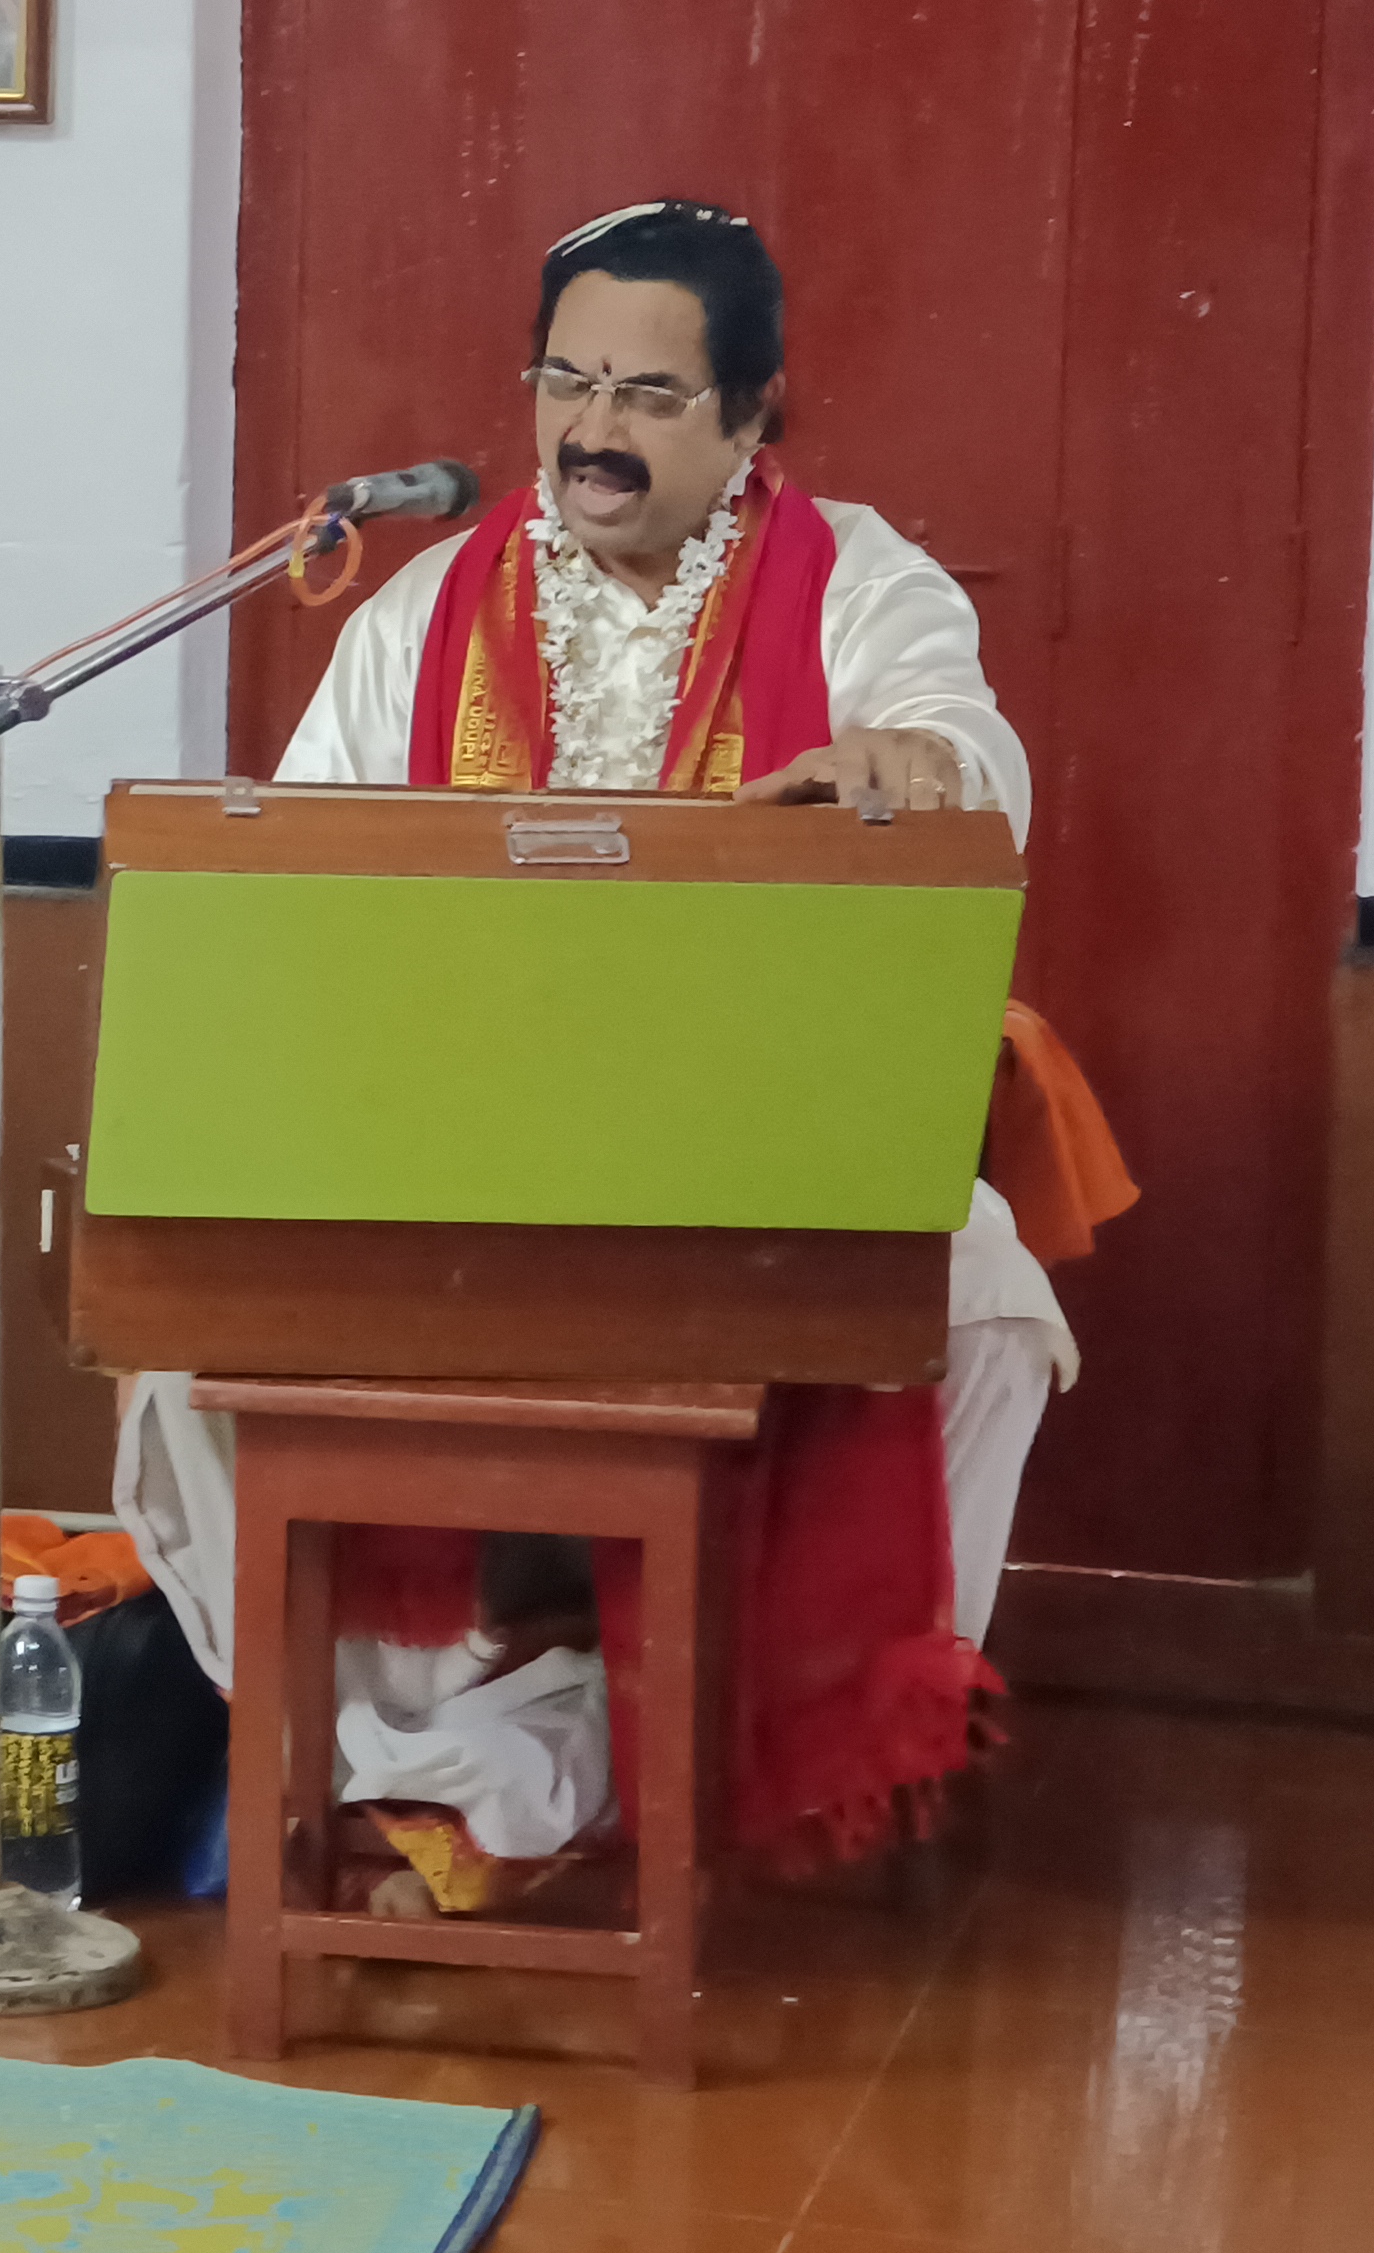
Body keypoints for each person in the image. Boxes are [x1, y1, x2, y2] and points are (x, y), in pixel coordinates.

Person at [115, 199, 1085, 1891]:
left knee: (987, 1295)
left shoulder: (860, 581)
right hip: (451, 1144)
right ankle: (429, 1765)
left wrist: (917, 762)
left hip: (746, 1153)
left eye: (647, 395)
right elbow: (305, 873)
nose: (591, 432)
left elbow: (956, 736)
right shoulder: (426, 606)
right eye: (565, 383)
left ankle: (754, 1742)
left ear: (751, 412)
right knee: (173, 1324)